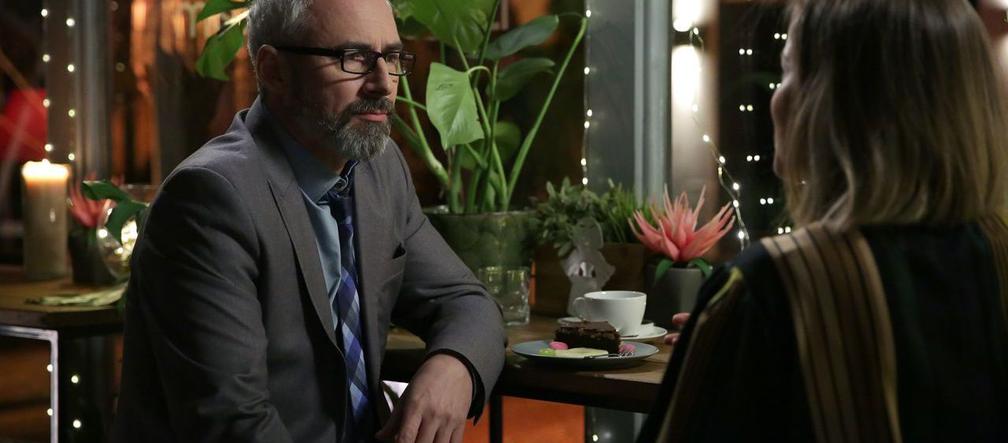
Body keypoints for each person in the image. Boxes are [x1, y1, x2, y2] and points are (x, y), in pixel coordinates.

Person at [111, 0, 506, 441]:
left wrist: (454, 367)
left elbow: (468, 303)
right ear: (274, 70)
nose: (383, 83)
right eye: (353, 58)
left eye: (392, 57)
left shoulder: (378, 169)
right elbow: (235, 425)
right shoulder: (208, 199)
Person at [639, 0, 1008, 441]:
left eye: (788, 69)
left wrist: (734, 330)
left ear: (835, 109)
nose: (776, 95)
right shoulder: (998, 251)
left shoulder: (773, 285)